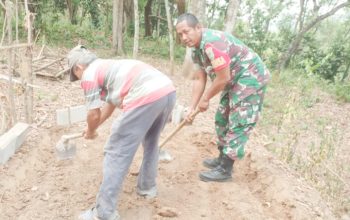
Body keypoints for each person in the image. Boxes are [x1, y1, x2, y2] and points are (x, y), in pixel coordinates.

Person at [67, 45, 176, 220]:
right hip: (167, 91)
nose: (79, 79)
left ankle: (104, 212)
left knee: (116, 152)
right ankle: (147, 188)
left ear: (78, 67)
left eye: (76, 75)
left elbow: (93, 113)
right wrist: (91, 129)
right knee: (151, 142)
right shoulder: (108, 67)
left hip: (146, 95)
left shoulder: (88, 75)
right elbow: (108, 108)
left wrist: (91, 129)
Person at [175, 13, 270, 182]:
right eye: (180, 34)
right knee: (222, 117)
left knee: (239, 120)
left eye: (186, 31)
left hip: (250, 76)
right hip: (232, 79)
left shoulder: (213, 42)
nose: (183, 37)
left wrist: (206, 99)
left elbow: (223, 77)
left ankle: (225, 169)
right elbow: (200, 78)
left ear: (198, 27)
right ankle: (221, 158)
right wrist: (192, 107)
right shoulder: (196, 49)